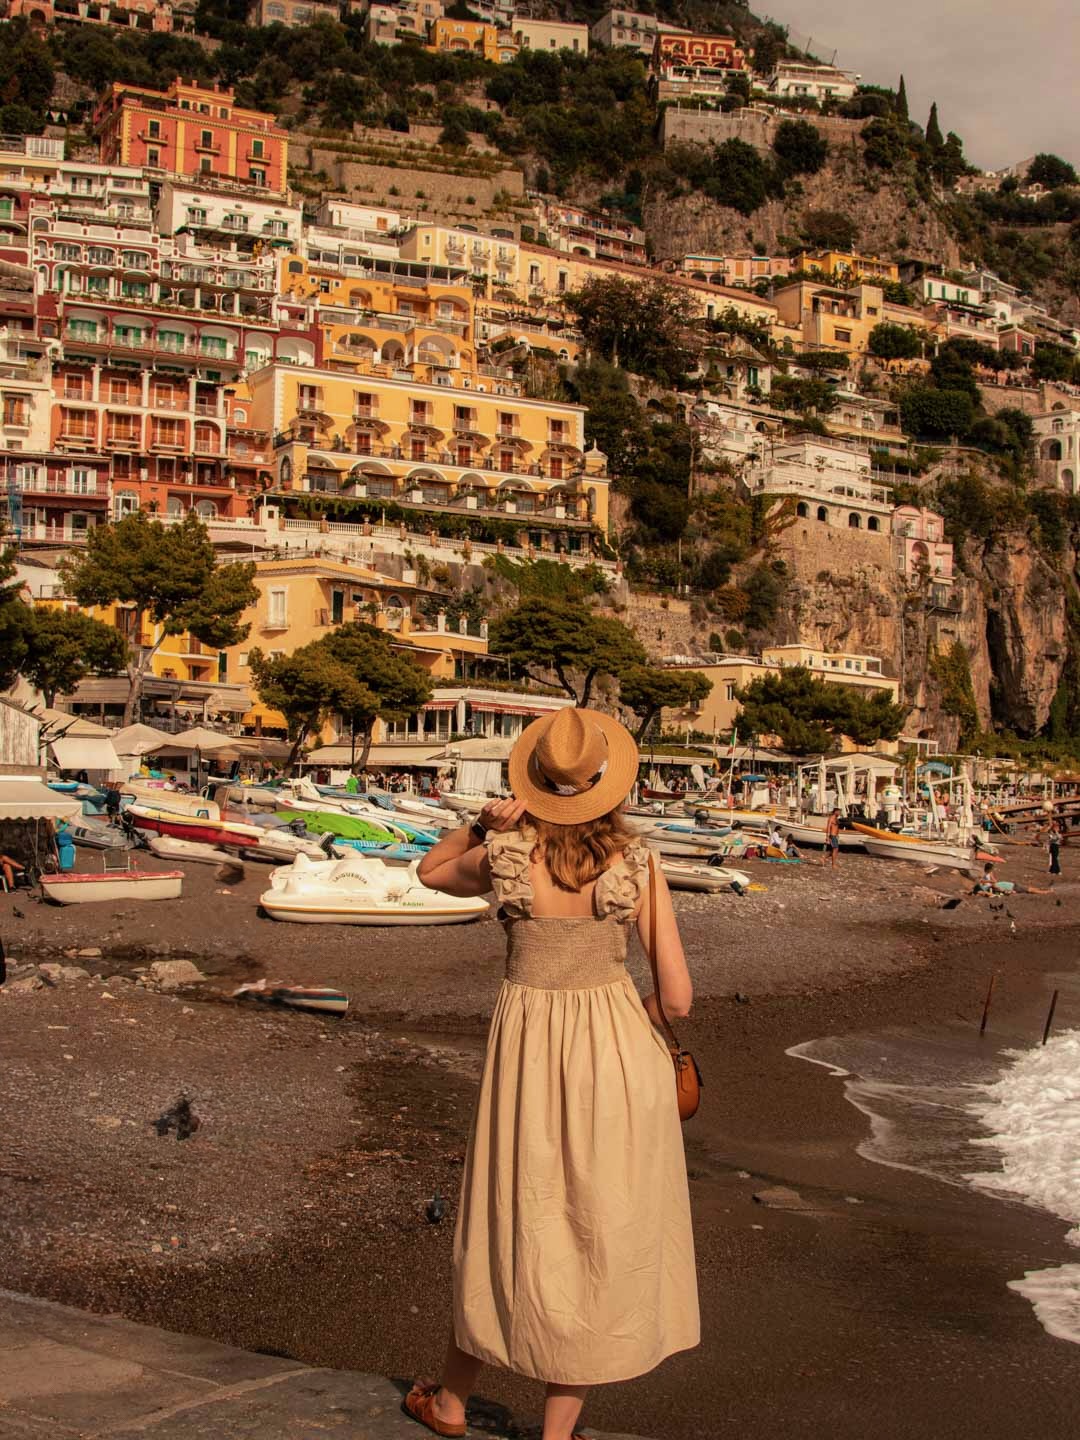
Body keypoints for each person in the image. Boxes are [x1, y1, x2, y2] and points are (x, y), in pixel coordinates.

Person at [404, 707, 699, 1440]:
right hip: (619, 1056)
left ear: (532, 782)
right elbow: (680, 998)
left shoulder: (503, 858)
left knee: (510, 1222)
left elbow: (429, 870)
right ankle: (556, 1436)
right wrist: (633, 1023)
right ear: (605, 783)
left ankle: (450, 1403)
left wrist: (479, 825)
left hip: (529, 1055)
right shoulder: (637, 864)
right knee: (596, 1235)